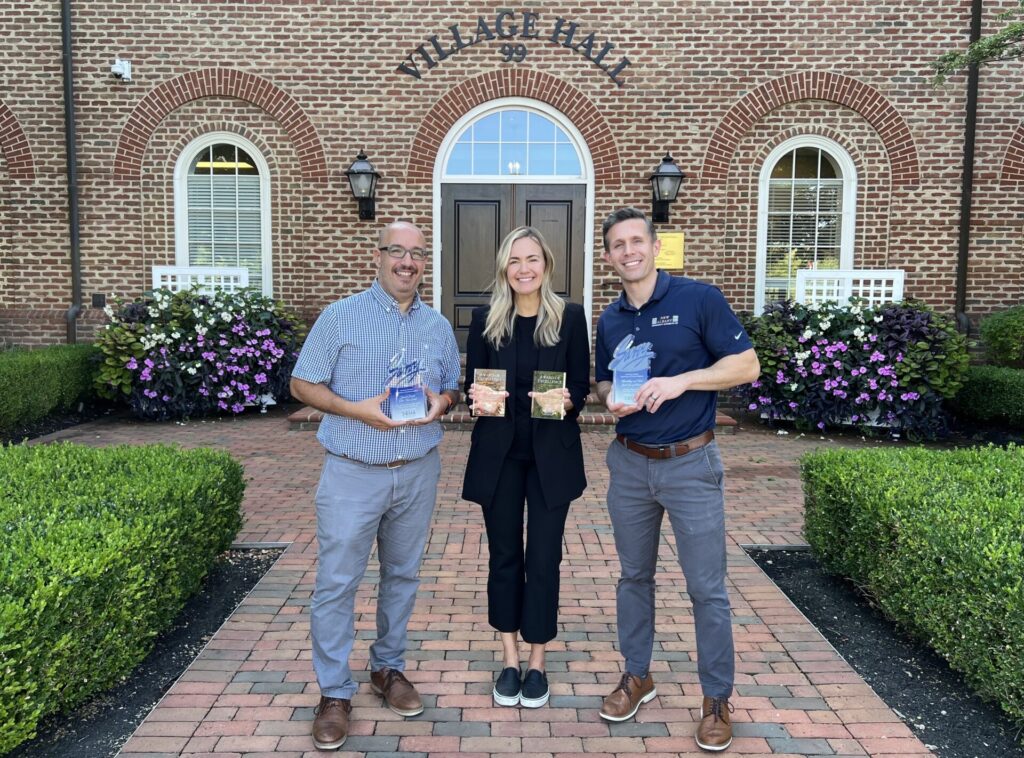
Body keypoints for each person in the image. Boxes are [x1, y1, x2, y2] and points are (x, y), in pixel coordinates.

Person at [290, 221, 461, 752]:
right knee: (338, 582)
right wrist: (355, 410)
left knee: (403, 575)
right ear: (378, 255)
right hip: (352, 471)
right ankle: (334, 693)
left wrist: (442, 403)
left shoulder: (437, 325)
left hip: (416, 470)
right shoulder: (340, 317)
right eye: (397, 252)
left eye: (416, 254)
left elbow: (452, 387)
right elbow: (301, 383)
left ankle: (387, 668)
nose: (406, 262)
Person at [593, 208, 760, 752]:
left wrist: (682, 380)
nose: (628, 251)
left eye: (636, 241)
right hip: (630, 461)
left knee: (706, 588)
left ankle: (716, 699)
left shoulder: (699, 298)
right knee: (633, 578)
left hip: (691, 462)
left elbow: (746, 366)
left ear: (655, 246)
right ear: (609, 255)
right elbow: (601, 381)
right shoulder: (611, 318)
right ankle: (637, 675)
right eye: (617, 245)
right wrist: (607, 401)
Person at [461, 226, 590, 709]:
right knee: (504, 557)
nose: (524, 269)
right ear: (503, 268)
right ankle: (510, 657)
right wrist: (478, 398)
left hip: (550, 458)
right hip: (500, 458)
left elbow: (580, 382)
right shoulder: (485, 319)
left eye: (532, 259)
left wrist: (568, 399)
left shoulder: (569, 318)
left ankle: (538, 661)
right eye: (514, 260)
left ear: (547, 265)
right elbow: (474, 385)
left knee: (543, 558)